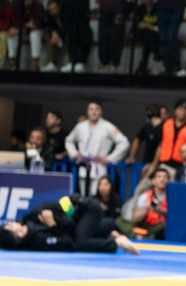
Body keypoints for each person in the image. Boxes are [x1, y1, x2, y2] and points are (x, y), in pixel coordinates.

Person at [0, 196, 138, 254]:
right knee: (83, 233)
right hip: (83, 217)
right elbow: (66, 240)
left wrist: (54, 225)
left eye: (10, 224)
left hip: (87, 210)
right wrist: (53, 226)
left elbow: (71, 243)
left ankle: (117, 242)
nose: (14, 223)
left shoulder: (32, 218)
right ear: (18, 235)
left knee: (81, 242)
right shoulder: (37, 237)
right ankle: (109, 232)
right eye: (12, 227)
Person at [64, 101, 130, 195]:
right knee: (83, 196)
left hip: (98, 166)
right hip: (83, 166)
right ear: (87, 111)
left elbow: (124, 142)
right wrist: (74, 153)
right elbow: (69, 140)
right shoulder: (80, 126)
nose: (93, 112)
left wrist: (110, 158)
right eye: (91, 109)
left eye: (96, 109)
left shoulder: (107, 126)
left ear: (100, 111)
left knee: (97, 197)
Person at [149, 98, 186, 179]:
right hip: (164, 165)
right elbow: (160, 146)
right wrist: (153, 165)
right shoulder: (166, 124)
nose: (182, 112)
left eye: (185, 109)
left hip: (182, 166)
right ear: (175, 110)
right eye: (180, 109)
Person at [129, 167, 169, 240]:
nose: (162, 180)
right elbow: (135, 219)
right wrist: (146, 208)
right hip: (149, 228)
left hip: (165, 230)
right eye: (159, 177)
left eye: (165, 177)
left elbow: (176, 219)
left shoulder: (172, 198)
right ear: (153, 181)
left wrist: (161, 211)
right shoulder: (145, 197)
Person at [126, 103, 165, 178]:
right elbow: (136, 140)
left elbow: (161, 147)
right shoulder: (146, 127)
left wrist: (153, 165)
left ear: (148, 114)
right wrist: (131, 156)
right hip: (147, 164)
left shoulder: (164, 127)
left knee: (141, 189)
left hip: (159, 165)